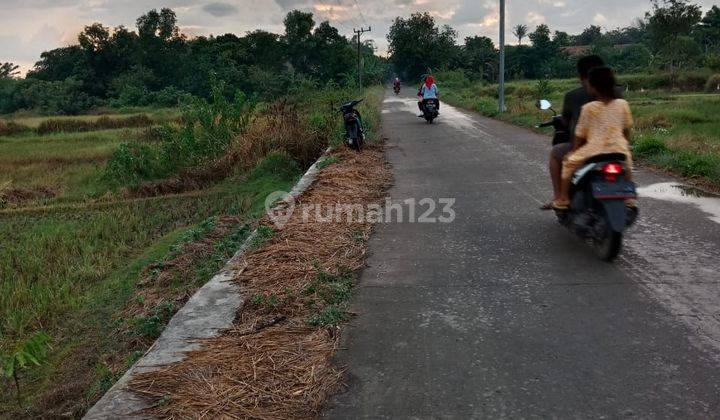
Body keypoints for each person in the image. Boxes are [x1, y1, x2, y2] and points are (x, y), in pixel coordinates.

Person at [553, 66, 634, 210]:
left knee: (567, 164)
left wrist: (574, 151)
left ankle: (563, 198)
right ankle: (628, 197)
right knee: (627, 167)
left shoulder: (589, 108)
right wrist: (626, 145)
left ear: (594, 87)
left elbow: (579, 134)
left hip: (594, 150)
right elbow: (626, 129)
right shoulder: (622, 104)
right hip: (618, 148)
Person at [541, 55, 605, 210]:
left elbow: (574, 129)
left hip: (588, 149)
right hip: (615, 147)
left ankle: (561, 198)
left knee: (557, 154)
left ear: (582, 76)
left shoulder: (574, 96)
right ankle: (629, 200)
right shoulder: (616, 93)